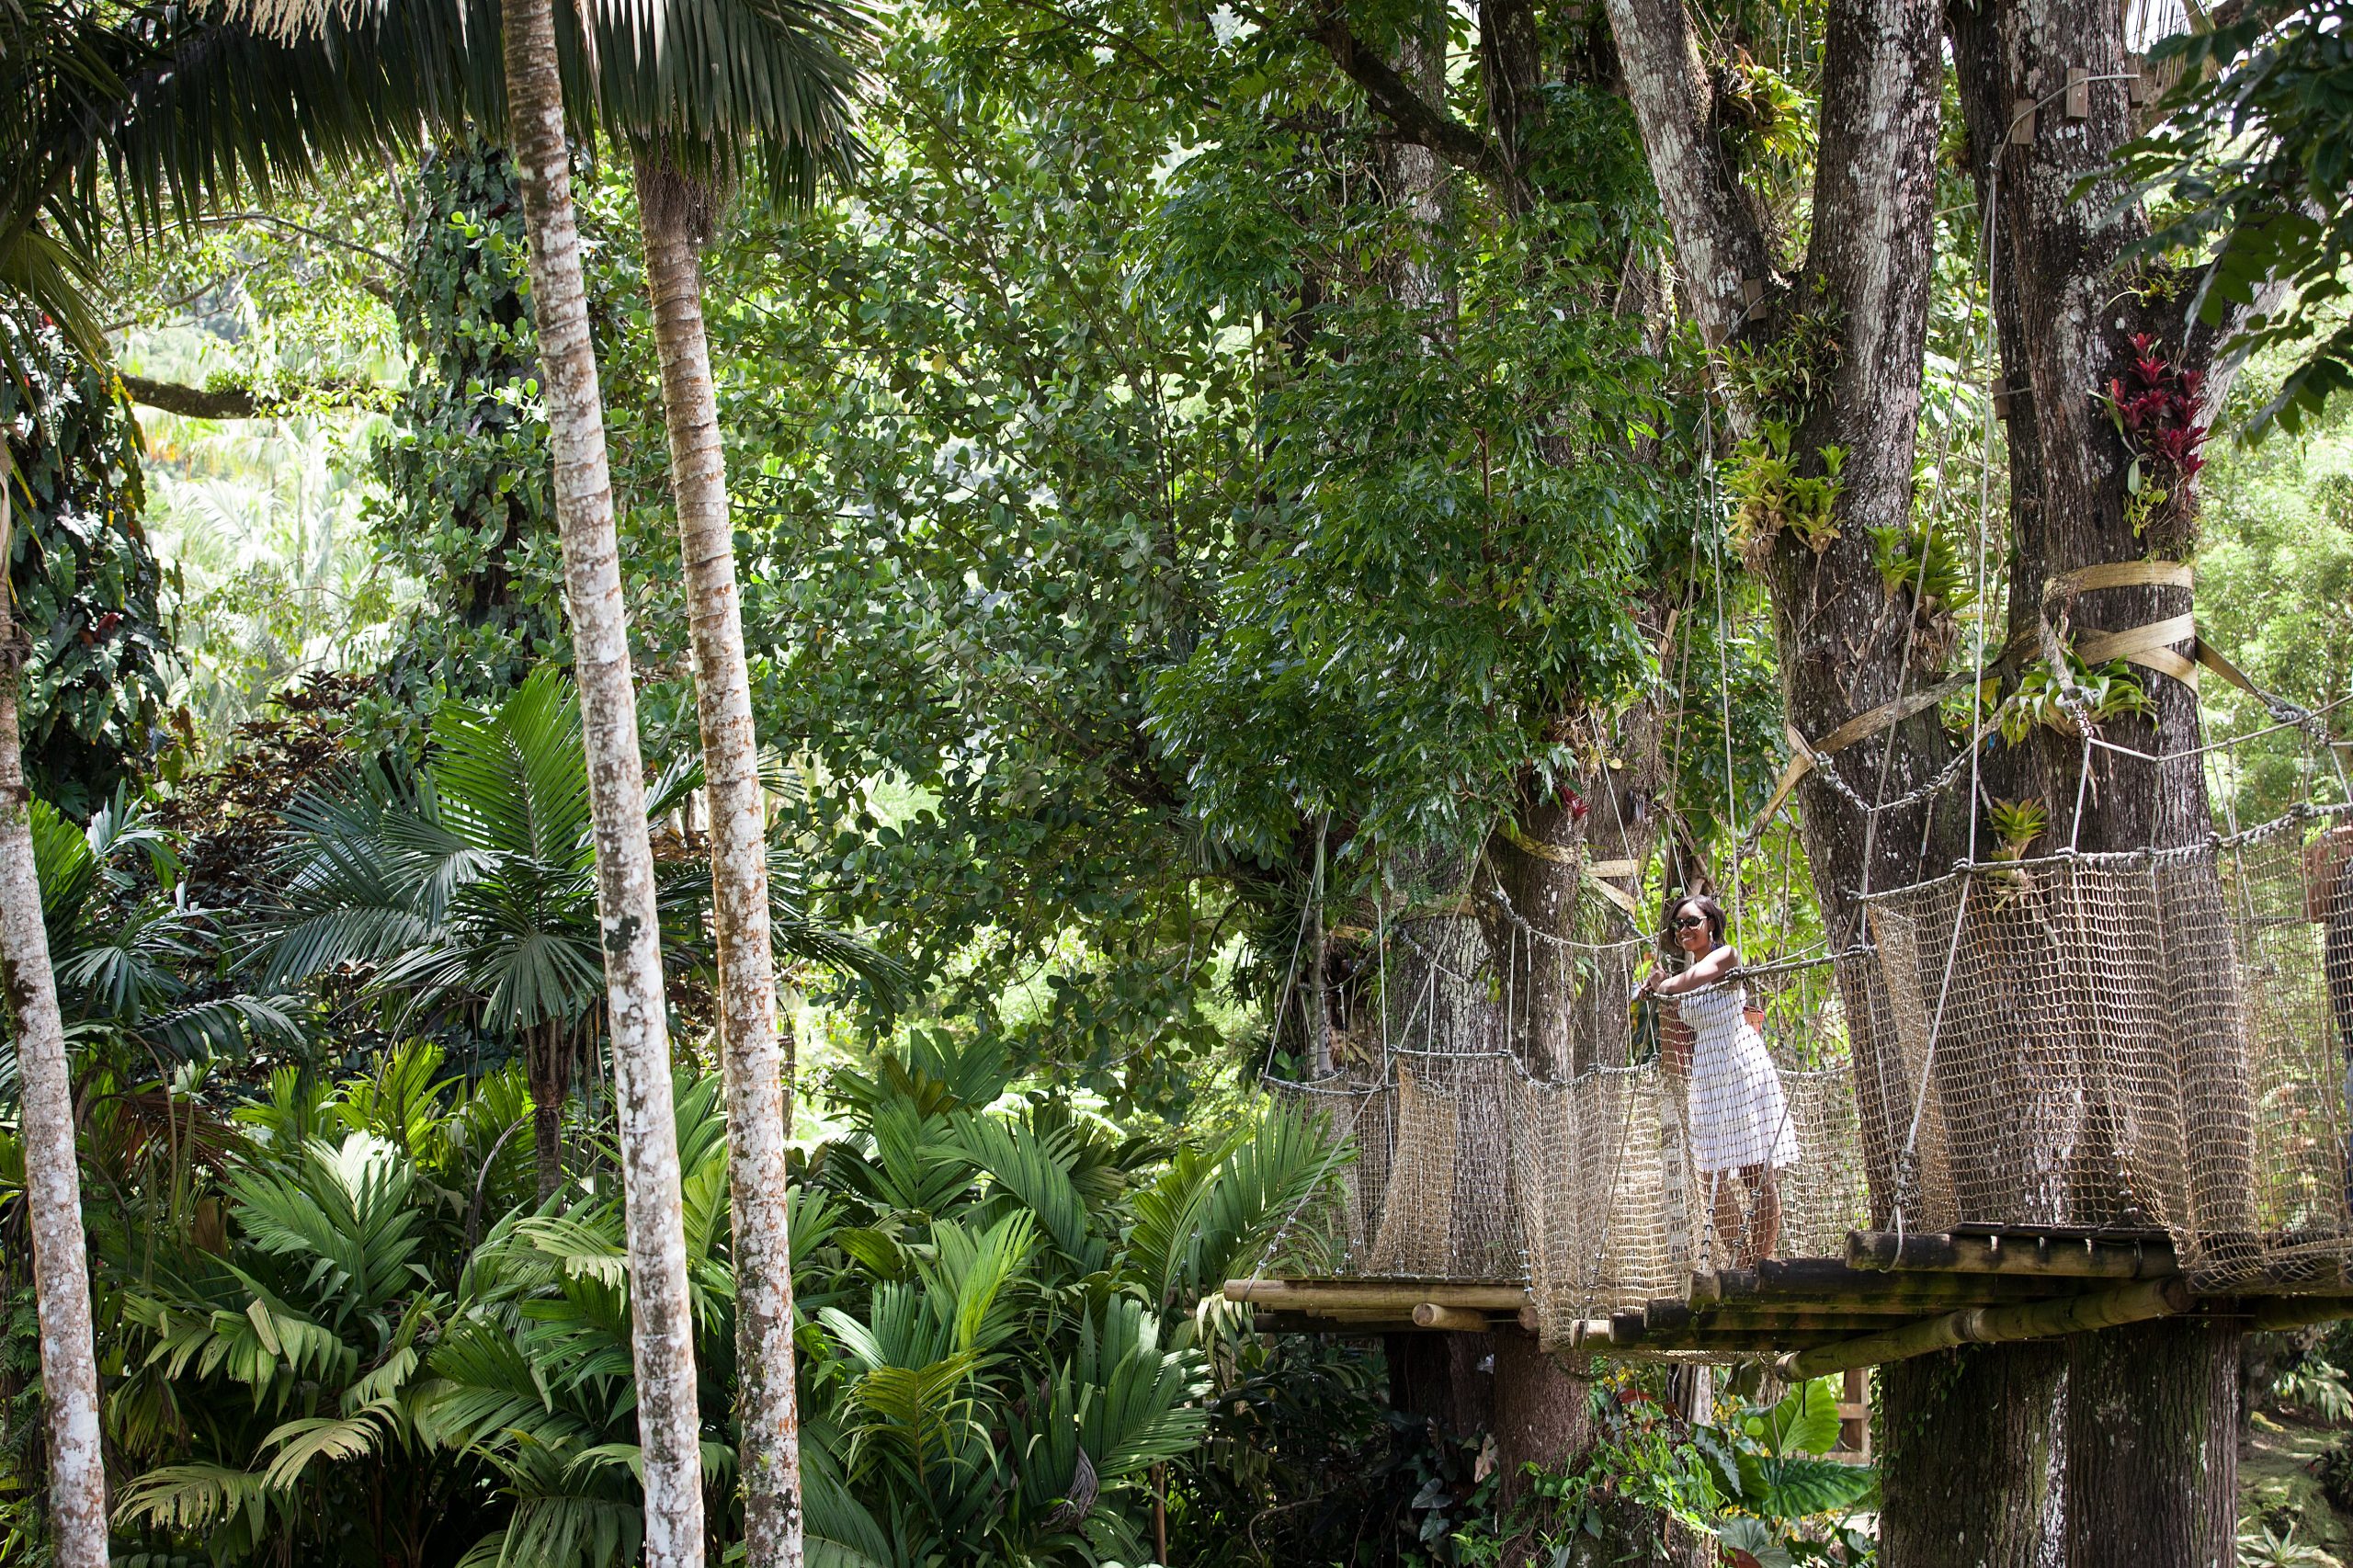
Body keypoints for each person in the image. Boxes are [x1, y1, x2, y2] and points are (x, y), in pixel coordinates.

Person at [1636, 894, 1797, 1266]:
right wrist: (1659, 986)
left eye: (1692, 921)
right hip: (1708, 1072)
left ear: (1711, 922)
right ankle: (1743, 1260)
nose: (1684, 930)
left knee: (1756, 1171)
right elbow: (1679, 994)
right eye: (1678, 926)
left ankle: (1761, 1261)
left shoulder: (1728, 957)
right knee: (1711, 1174)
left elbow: (1689, 980)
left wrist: (1663, 984)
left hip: (1741, 1065)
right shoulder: (1682, 977)